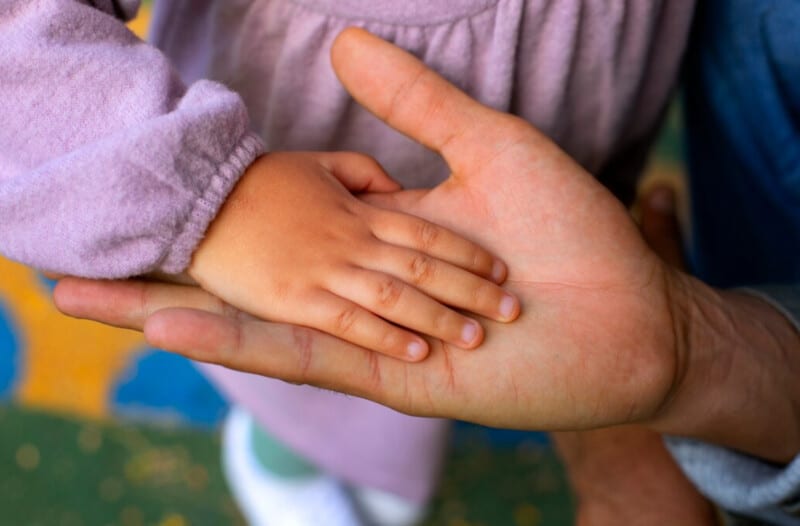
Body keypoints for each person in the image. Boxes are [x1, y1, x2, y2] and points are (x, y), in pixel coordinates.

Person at [56, 28, 800, 524]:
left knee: (453, 352)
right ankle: (290, 449)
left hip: (567, 185)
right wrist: (215, 196)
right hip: (294, 213)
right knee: (313, 385)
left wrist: (688, 349)